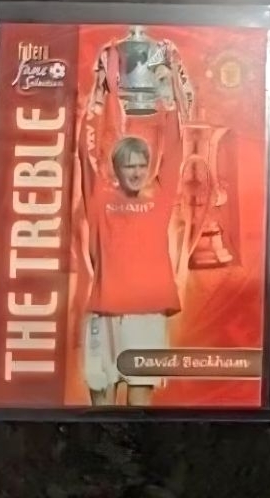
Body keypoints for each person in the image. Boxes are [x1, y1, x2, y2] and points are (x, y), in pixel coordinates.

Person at [83, 135, 183, 407]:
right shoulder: (100, 200)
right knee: (101, 402)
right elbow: (85, 153)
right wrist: (93, 110)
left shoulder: (159, 199)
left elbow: (174, 152)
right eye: (129, 166)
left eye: (141, 165)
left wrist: (169, 110)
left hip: (147, 316)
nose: (137, 173)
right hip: (105, 313)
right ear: (116, 169)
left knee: (139, 406)